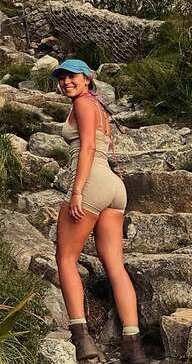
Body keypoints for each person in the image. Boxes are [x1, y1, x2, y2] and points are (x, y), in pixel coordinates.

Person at [53, 59, 147, 364]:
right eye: (62, 77)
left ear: (88, 79)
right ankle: (133, 346)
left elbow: (89, 147)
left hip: (92, 180)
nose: (67, 81)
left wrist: (78, 190)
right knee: (115, 265)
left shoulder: (82, 103)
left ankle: (81, 340)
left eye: (73, 76)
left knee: (65, 258)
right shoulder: (99, 107)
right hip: (114, 188)